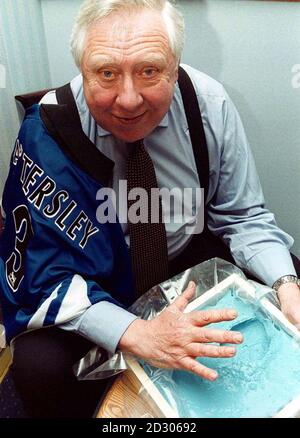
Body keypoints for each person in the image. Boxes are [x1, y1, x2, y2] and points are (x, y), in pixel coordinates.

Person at [0, 0, 299, 418]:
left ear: (175, 67)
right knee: (38, 367)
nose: (127, 99)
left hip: (182, 258)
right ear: (83, 68)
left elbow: (243, 216)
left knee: (291, 280)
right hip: (93, 283)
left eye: (149, 71)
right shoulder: (48, 133)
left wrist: (287, 285)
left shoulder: (208, 104)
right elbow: (43, 271)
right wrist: (134, 332)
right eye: (106, 73)